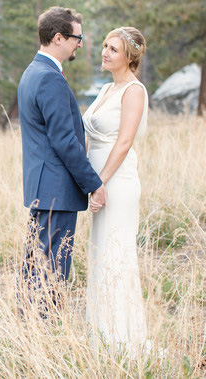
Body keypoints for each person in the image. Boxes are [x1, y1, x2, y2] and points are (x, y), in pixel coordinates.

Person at [17, 6, 107, 317]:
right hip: (57, 191)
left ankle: (31, 331)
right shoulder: (49, 79)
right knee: (52, 269)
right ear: (58, 37)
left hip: (43, 187)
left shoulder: (33, 72)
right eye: (76, 38)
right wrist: (94, 184)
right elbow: (65, 141)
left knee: (37, 266)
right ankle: (45, 334)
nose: (80, 44)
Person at [82, 26, 149, 352]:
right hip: (98, 185)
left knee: (116, 256)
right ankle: (100, 336)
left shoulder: (133, 91)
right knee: (99, 256)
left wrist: (100, 183)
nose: (105, 52)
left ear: (129, 57)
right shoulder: (107, 88)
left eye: (113, 49)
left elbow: (123, 142)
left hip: (117, 184)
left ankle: (124, 340)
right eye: (106, 46)